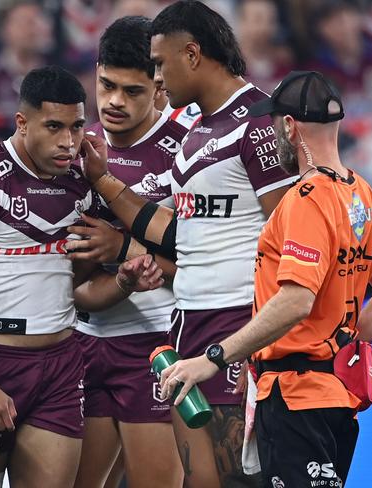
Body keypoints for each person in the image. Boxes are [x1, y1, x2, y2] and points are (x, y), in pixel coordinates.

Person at [70, 2, 296, 486]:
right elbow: (177, 234)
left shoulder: (260, 122)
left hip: (238, 324)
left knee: (243, 479)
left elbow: (290, 234)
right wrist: (105, 183)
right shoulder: (197, 135)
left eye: (158, 63)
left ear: (191, 54)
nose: (156, 77)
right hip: (185, 326)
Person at [0, 65, 163, 488]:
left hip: (60, 366)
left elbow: (80, 291)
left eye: (76, 127)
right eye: (54, 127)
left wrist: (125, 281)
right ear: (22, 122)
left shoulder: (83, 184)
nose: (68, 142)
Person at [158, 70, 372, 488]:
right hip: (339, 398)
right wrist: (343, 345)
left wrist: (212, 358)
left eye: (274, 123)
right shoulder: (365, 197)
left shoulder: (305, 199)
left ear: (288, 126)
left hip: (295, 399)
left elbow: (296, 300)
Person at [70, 16, 195, 488]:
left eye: (133, 91)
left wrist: (124, 246)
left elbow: (202, 262)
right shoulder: (75, 144)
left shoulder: (184, 150)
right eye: (106, 85)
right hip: (83, 340)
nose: (115, 101)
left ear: (159, 87)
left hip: (156, 344)